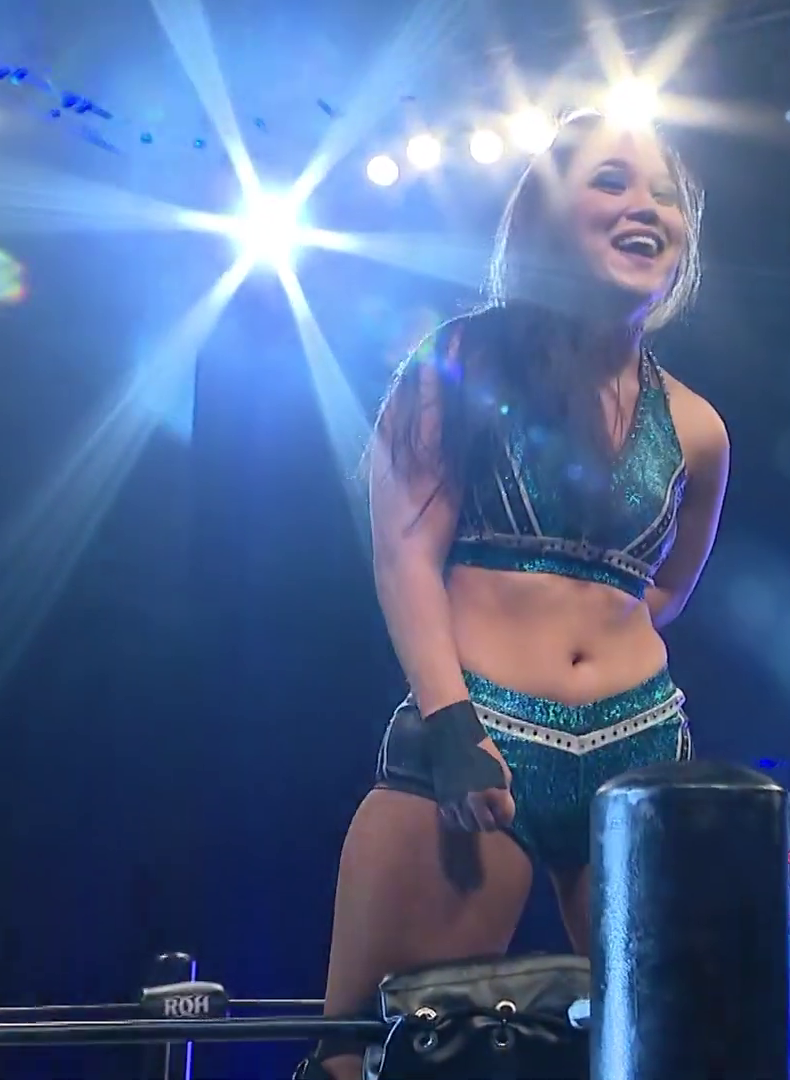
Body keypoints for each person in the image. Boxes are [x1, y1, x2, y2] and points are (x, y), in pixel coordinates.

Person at [305, 109, 729, 1080]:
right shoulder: (460, 364)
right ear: (546, 213)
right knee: (369, 1056)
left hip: (638, 748)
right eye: (612, 181)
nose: (646, 207)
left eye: (666, 194)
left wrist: (601, 651)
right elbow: (404, 557)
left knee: (674, 1050)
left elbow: (668, 586)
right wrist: (452, 723)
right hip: (483, 726)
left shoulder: (698, 429)